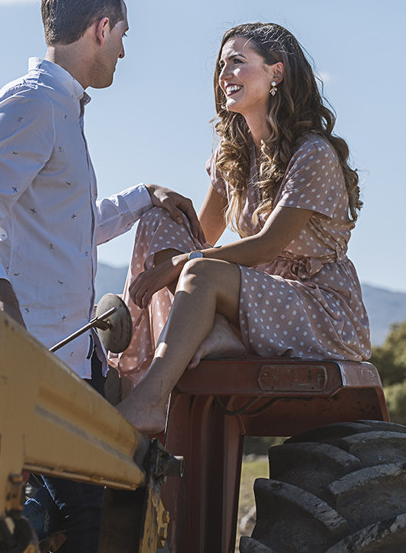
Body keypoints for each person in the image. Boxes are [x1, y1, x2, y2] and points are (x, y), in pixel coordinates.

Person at [0, 0, 200, 553]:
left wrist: (144, 197)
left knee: (84, 525)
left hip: (71, 366)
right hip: (31, 363)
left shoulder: (64, 110)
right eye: (123, 35)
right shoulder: (31, 105)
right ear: (100, 28)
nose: (124, 50)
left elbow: (71, 226)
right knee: (52, 525)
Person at [113, 22, 369, 435]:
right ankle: (170, 351)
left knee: (196, 268)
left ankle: (150, 399)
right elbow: (203, 236)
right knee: (159, 221)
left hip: (318, 305)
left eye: (237, 62)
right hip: (256, 292)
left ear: (275, 73)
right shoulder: (233, 155)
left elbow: (266, 246)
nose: (224, 75)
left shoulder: (312, 154)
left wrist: (182, 264)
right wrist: (156, 202)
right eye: (220, 66)